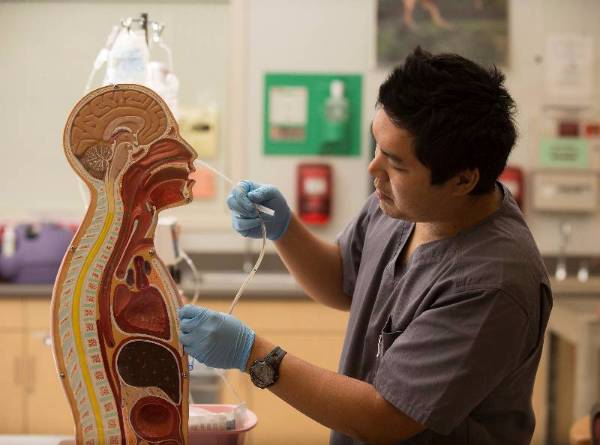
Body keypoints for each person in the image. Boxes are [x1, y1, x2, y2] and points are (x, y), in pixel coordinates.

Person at [178, 47, 552, 445]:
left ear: (463, 180)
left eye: (395, 163)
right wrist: (285, 230)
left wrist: (251, 354)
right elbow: (342, 280)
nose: (374, 170)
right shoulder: (402, 204)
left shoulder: (492, 284)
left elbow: (384, 417)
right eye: (376, 146)